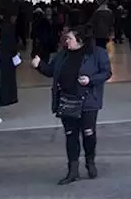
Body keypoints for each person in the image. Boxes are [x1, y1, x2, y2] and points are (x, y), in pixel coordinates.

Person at [31, 27, 112, 185]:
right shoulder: (62, 55)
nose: (66, 41)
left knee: (88, 133)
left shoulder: (98, 53)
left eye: (69, 38)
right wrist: (39, 64)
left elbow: (107, 73)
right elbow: (51, 71)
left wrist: (90, 80)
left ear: (80, 40)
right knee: (70, 134)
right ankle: (72, 170)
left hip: (88, 101)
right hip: (67, 100)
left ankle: (90, 161)